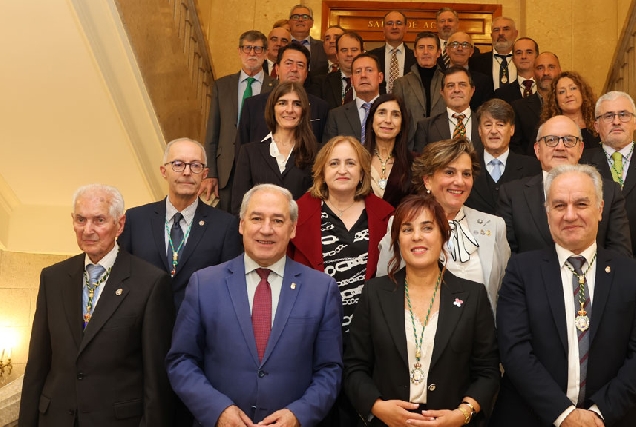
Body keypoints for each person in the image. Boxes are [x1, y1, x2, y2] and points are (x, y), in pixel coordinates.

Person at [166, 184, 343, 427]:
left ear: (292, 229)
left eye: (278, 221)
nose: (266, 229)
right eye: (257, 218)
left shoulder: (321, 289)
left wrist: (299, 414)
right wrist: (217, 411)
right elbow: (181, 360)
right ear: (241, 225)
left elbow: (330, 369)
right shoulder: (204, 284)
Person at [491, 164, 636, 427]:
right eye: (559, 206)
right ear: (547, 213)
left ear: (600, 209)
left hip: (611, 419)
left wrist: (599, 413)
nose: (570, 215)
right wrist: (564, 414)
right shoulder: (522, 271)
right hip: (532, 417)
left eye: (581, 204)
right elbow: (514, 350)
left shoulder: (629, 273)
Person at [19, 184, 175, 427]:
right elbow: (37, 365)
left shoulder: (150, 283)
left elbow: (156, 381)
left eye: (99, 220)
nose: (88, 230)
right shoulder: (53, 278)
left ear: (119, 225)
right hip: (55, 419)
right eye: (81, 219)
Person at [345, 194, 500, 427]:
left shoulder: (473, 296)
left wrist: (462, 414)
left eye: (427, 228)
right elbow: (354, 366)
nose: (417, 236)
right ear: (397, 239)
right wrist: (377, 407)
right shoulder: (374, 293)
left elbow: (488, 372)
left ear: (443, 235)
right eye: (407, 229)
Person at [288, 136, 394, 427]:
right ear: (322, 171)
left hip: (370, 342)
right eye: (334, 163)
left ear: (362, 171)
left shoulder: (386, 216)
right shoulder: (295, 215)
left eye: (351, 163)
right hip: (313, 338)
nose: (342, 169)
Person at [378, 138, 510, 310]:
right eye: (449, 172)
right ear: (427, 180)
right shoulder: (402, 223)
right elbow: (384, 286)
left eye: (466, 174)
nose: (459, 181)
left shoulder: (494, 226)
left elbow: (504, 292)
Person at [118, 138, 242, 311]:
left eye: (195, 165)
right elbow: (122, 279)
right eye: (178, 164)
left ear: (204, 174)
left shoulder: (225, 226)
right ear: (164, 171)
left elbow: (230, 287)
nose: (186, 172)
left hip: (199, 329)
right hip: (143, 329)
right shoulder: (135, 219)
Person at [498, 115, 632, 255]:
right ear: (537, 150)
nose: (560, 147)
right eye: (551, 140)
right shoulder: (512, 195)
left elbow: (620, 257)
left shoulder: (609, 192)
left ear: (580, 149)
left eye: (568, 140)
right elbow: (506, 259)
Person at [200, 30, 274, 211]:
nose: (252, 53)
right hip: (226, 168)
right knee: (225, 220)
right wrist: (210, 172)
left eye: (257, 49)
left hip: (261, 166)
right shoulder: (222, 85)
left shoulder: (276, 88)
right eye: (247, 48)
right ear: (239, 51)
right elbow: (213, 131)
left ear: (265, 54)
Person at [232, 82, 317, 214]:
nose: (289, 109)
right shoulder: (249, 152)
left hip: (301, 231)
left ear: (304, 111)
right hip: (259, 232)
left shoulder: (317, 152)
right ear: (272, 108)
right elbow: (239, 207)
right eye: (282, 103)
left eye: (297, 104)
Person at [235, 43, 329, 152]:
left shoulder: (320, 107)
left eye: (300, 65)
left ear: (306, 73)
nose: (294, 69)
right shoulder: (253, 105)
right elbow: (241, 151)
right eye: (288, 63)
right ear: (277, 68)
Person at [582, 91, 636, 255]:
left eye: (623, 114)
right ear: (596, 125)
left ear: (634, 122)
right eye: (608, 116)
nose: (617, 121)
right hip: (598, 262)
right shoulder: (581, 163)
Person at [465, 99, 541, 215]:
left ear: (512, 129)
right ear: (480, 131)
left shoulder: (532, 168)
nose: (494, 131)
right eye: (488, 125)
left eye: (500, 124)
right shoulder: (466, 166)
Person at [392, 31, 446, 144]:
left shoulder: (447, 82)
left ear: (438, 53)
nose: (425, 52)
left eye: (430, 47)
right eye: (421, 47)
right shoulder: (401, 83)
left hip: (442, 148)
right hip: (410, 148)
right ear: (415, 52)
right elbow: (396, 118)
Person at [414, 66, 483, 153]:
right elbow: (420, 164)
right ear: (442, 92)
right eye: (450, 86)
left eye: (462, 85)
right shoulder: (426, 127)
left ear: (472, 90)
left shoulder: (485, 124)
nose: (456, 90)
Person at [364, 94, 415, 206]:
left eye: (395, 115)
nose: (388, 120)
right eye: (382, 112)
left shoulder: (415, 162)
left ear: (402, 124)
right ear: (372, 120)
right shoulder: (356, 158)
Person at [323, 53, 384, 144]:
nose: (363, 75)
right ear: (352, 81)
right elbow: (328, 153)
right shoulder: (336, 116)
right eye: (358, 71)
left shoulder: (394, 112)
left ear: (380, 77)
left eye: (369, 70)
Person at [510, 52, 562, 155]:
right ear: (533, 74)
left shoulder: (569, 105)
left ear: (560, 71)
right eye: (540, 68)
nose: (546, 73)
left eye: (551, 67)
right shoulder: (518, 108)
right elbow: (515, 147)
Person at [540, 71, 601, 149]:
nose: (568, 95)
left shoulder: (600, 123)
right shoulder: (547, 129)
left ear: (582, 92)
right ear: (555, 99)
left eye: (573, 88)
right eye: (562, 92)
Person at [367, 10, 416, 94]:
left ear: (406, 28)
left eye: (399, 23)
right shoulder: (370, 56)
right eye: (389, 23)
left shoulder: (416, 57)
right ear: (383, 29)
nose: (394, 27)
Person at [445, 31, 494, 111]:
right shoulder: (438, 78)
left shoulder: (484, 81)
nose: (460, 48)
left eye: (465, 45)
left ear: (471, 52)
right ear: (447, 50)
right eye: (455, 44)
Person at [470, 17, 519, 90]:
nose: (501, 33)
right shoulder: (476, 62)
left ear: (515, 34)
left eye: (506, 29)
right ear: (491, 35)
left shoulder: (524, 60)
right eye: (496, 30)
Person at [320, 31, 364, 110]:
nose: (349, 54)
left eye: (354, 50)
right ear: (337, 55)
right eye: (344, 50)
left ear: (362, 53)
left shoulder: (373, 82)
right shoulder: (322, 84)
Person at [493, 37, 539, 104]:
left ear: (537, 56)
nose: (523, 56)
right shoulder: (501, 94)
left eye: (529, 52)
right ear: (513, 58)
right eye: (519, 53)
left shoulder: (548, 89)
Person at [288, 4, 328, 78]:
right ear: (289, 22)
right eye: (295, 17)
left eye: (305, 17)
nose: (300, 20)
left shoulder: (322, 46)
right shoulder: (282, 44)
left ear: (312, 23)